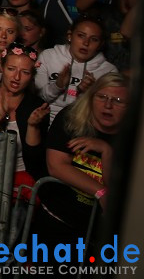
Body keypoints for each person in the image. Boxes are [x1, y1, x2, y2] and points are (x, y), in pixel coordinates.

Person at [37, 73, 129, 250]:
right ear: (91, 97)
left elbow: (117, 190)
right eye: (102, 97)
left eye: (118, 100)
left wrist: (107, 151)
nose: (108, 105)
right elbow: (56, 166)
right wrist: (101, 191)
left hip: (100, 234)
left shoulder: (131, 139)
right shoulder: (72, 117)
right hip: (58, 219)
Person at [0, 43, 48, 193]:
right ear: (2, 68)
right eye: (11, 69)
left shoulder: (36, 106)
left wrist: (33, 126)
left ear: (32, 75)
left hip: (19, 178)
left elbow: (35, 159)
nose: (17, 77)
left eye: (25, 72)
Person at [35, 16, 116, 124]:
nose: (86, 43)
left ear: (100, 44)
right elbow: (37, 98)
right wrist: (58, 86)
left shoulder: (109, 71)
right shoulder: (48, 56)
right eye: (81, 36)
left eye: (94, 39)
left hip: (81, 124)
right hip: (44, 120)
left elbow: (106, 113)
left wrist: (87, 94)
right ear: (70, 36)